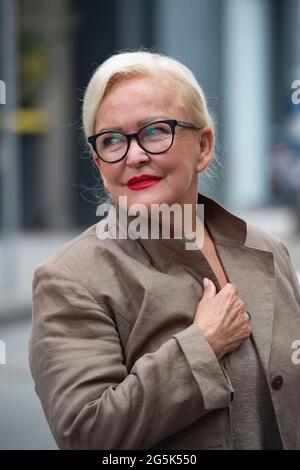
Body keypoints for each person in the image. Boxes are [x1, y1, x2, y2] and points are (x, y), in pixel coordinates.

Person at [29, 50, 300, 450]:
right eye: (112, 140)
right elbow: (86, 433)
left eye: (154, 131)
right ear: (100, 163)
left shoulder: (268, 250)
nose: (133, 155)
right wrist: (203, 344)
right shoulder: (72, 279)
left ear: (203, 146)